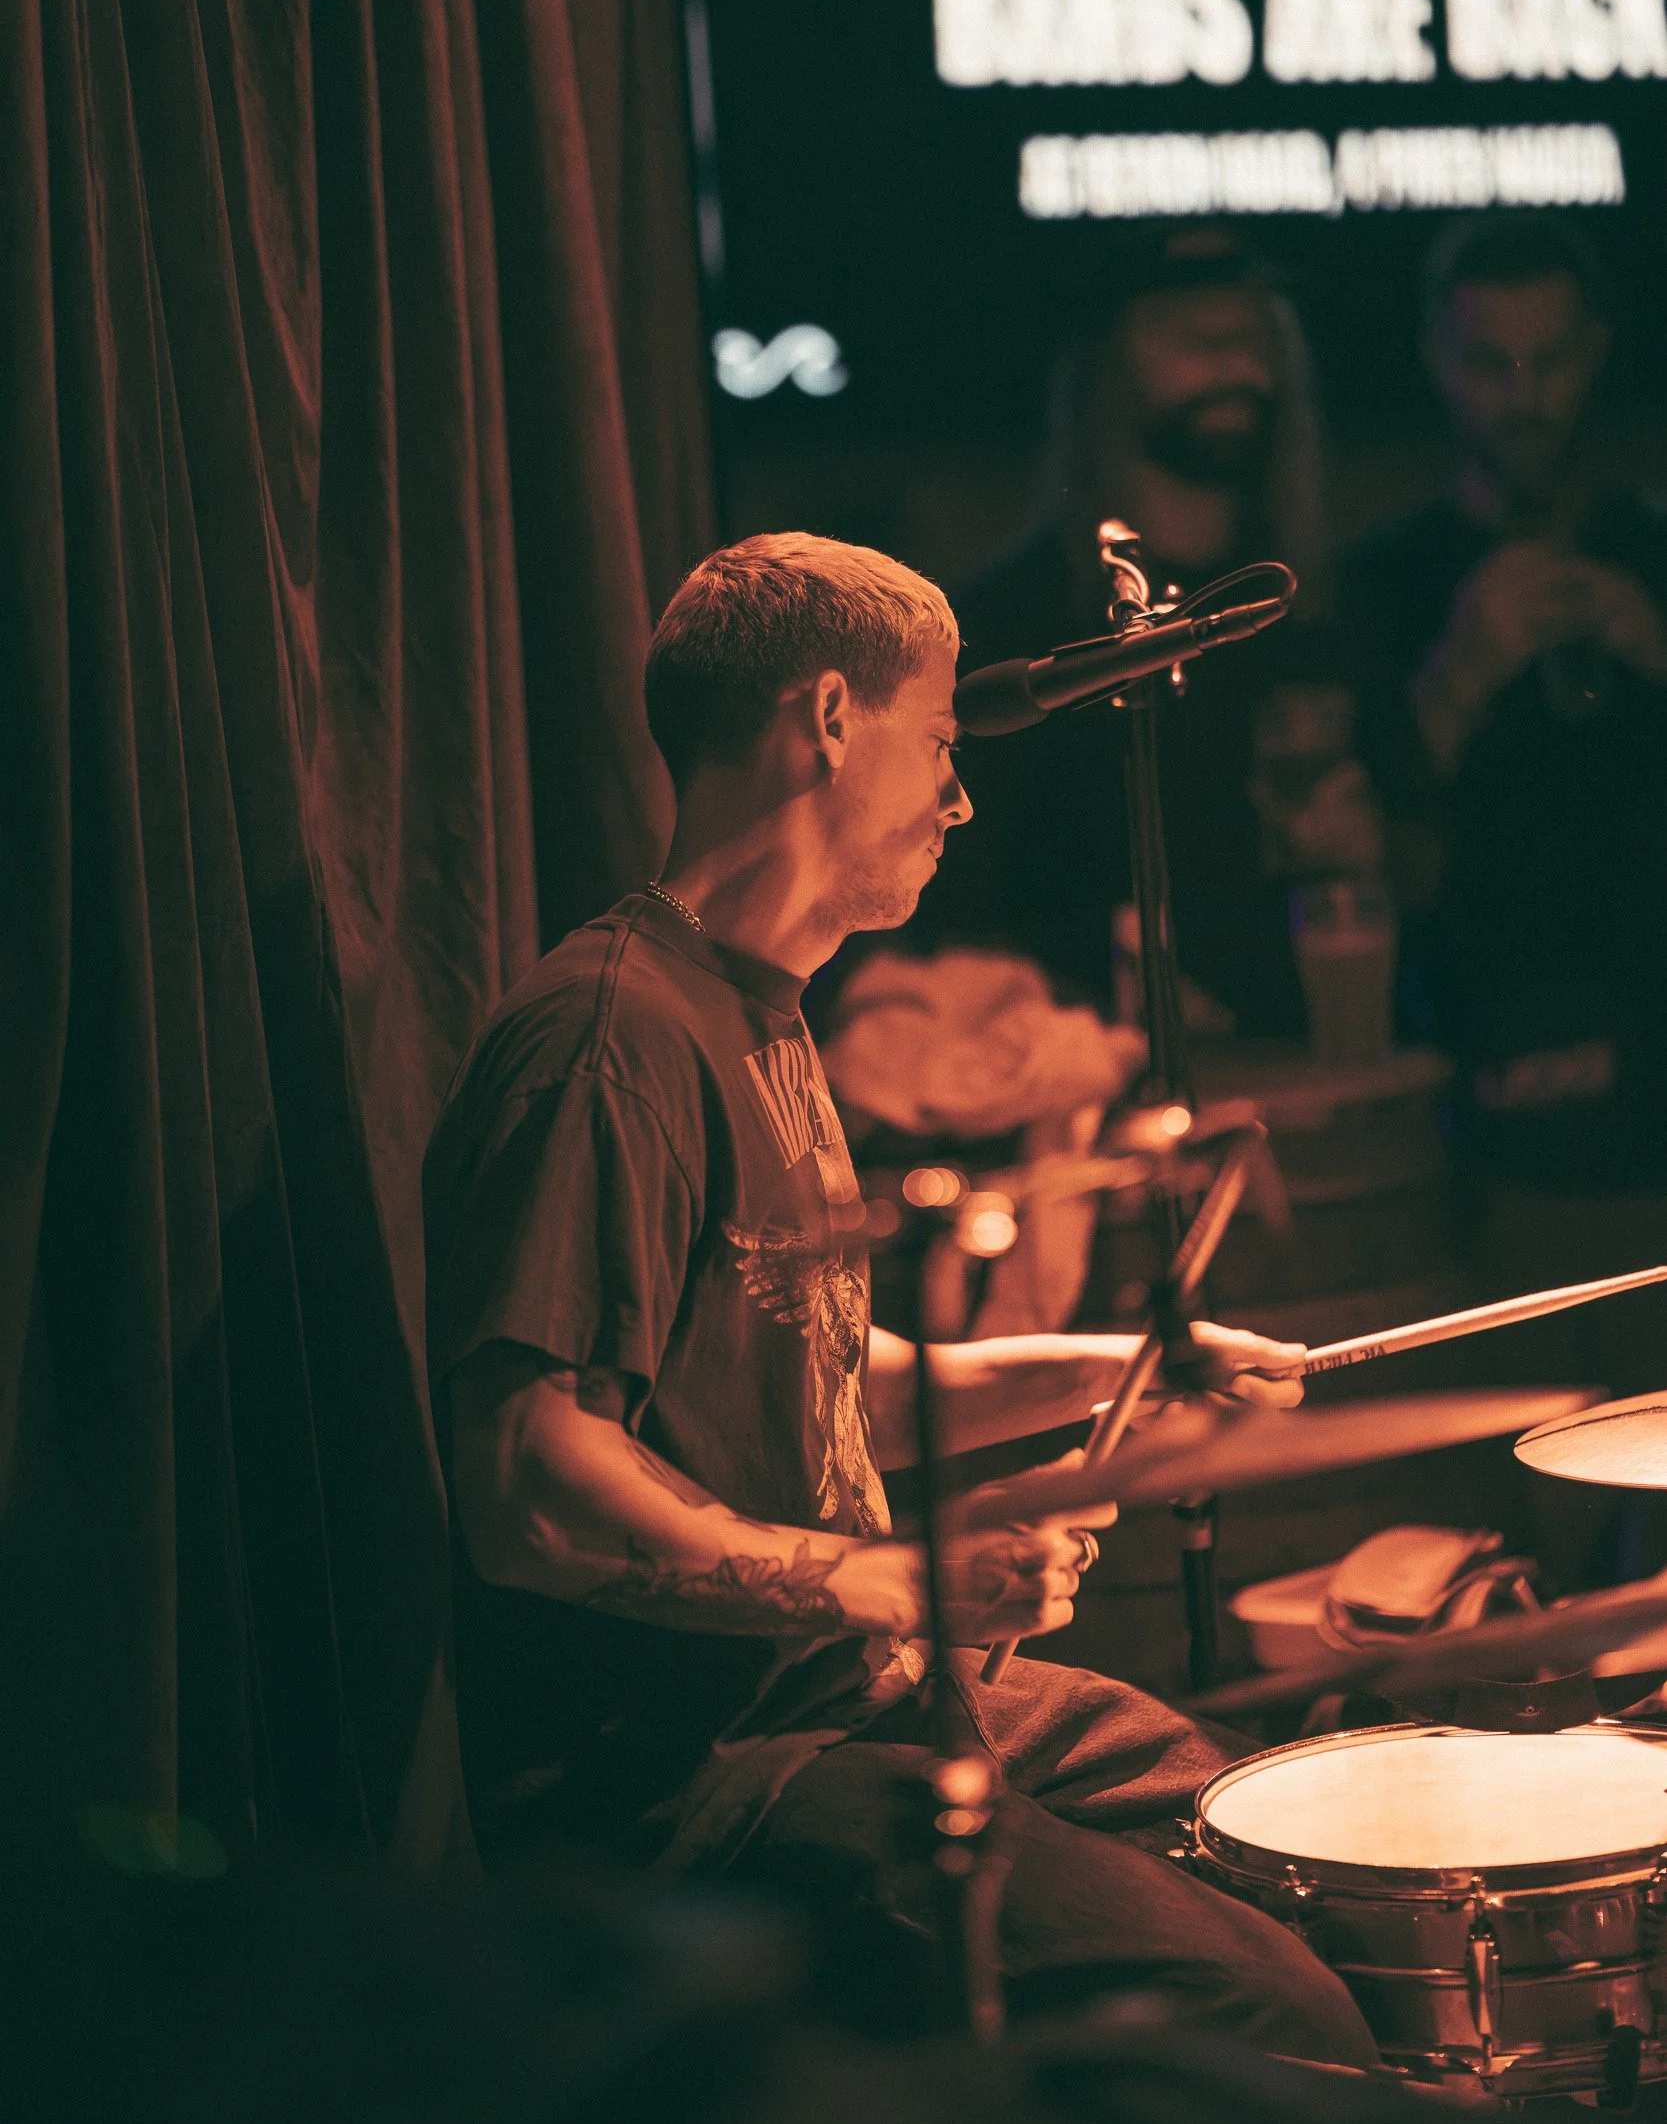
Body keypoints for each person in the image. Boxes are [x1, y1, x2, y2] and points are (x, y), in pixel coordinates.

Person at [422, 533, 1378, 2066]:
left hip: (853, 1690)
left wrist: (1128, 1364)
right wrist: (876, 1580)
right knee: (1259, 2011)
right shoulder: (609, 1043)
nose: (961, 793)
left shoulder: (759, 1015)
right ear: (822, 719)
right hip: (704, 1774)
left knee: (1273, 1840)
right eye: (937, 740)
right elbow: (529, 1485)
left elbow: (820, 1367)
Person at [912, 227, 1380, 1038]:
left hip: (1315, 1070)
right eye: (1188, 331)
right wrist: (1111, 985)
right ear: (1105, 365)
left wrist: (1372, 846)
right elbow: (947, 908)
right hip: (1097, 1087)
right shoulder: (1012, 633)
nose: (1230, 357)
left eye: (1249, 330)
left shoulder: (1310, 607)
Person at [1343, 215, 1667, 1246]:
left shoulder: (1652, 557)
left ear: (1597, 350)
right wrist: (1455, 678)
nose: (1523, 393)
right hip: (1472, 1132)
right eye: (1489, 362)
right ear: (1437, 362)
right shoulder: (1380, 586)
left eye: (1550, 358)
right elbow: (1357, 873)